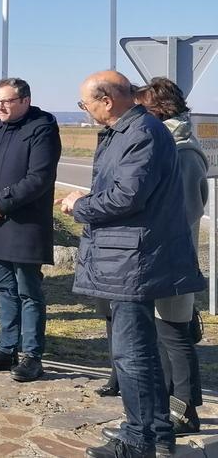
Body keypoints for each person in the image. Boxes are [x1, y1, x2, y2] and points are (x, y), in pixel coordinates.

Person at [61, 71, 206, 458]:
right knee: (138, 352)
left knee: (133, 355)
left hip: (133, 260)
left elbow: (127, 197)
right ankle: (156, 432)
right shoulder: (129, 131)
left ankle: (137, 440)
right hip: (127, 255)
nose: (85, 110)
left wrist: (80, 205)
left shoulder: (141, 133)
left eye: (85, 103)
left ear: (107, 100)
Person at [110, 78, 206, 435]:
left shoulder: (180, 151)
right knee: (162, 334)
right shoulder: (163, 143)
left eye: (142, 108)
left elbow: (184, 211)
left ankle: (185, 411)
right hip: (154, 258)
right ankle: (165, 407)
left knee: (175, 335)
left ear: (157, 110)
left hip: (172, 258)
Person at [0, 77, 61, 383]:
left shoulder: (41, 128)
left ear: (25, 100)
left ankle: (31, 356)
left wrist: (0, 204)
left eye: (6, 101)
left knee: (28, 293)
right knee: (4, 290)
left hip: (24, 226)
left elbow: (39, 178)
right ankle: (6, 348)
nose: (0, 107)